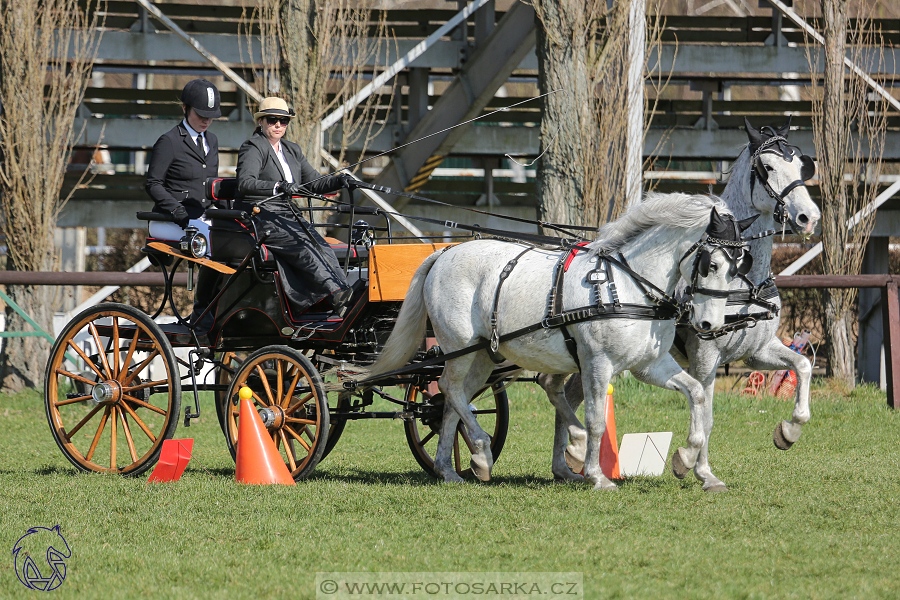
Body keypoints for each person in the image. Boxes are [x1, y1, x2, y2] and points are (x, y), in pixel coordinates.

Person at [235, 96, 354, 318]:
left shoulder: (292, 150)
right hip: (261, 215)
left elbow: (314, 183)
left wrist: (339, 180)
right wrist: (278, 186)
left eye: (284, 120)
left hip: (288, 214)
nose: (279, 125)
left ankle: (343, 294)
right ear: (261, 121)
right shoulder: (253, 147)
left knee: (322, 246)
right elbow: (245, 183)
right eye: (272, 120)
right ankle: (336, 295)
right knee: (304, 247)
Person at [145, 78, 222, 331]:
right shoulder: (169, 141)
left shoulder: (212, 141)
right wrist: (174, 208)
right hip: (169, 220)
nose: (206, 120)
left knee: (237, 241)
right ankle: (202, 313)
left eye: (210, 116)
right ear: (185, 109)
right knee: (217, 244)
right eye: (201, 114)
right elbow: (153, 183)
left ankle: (221, 310)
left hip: (202, 219)